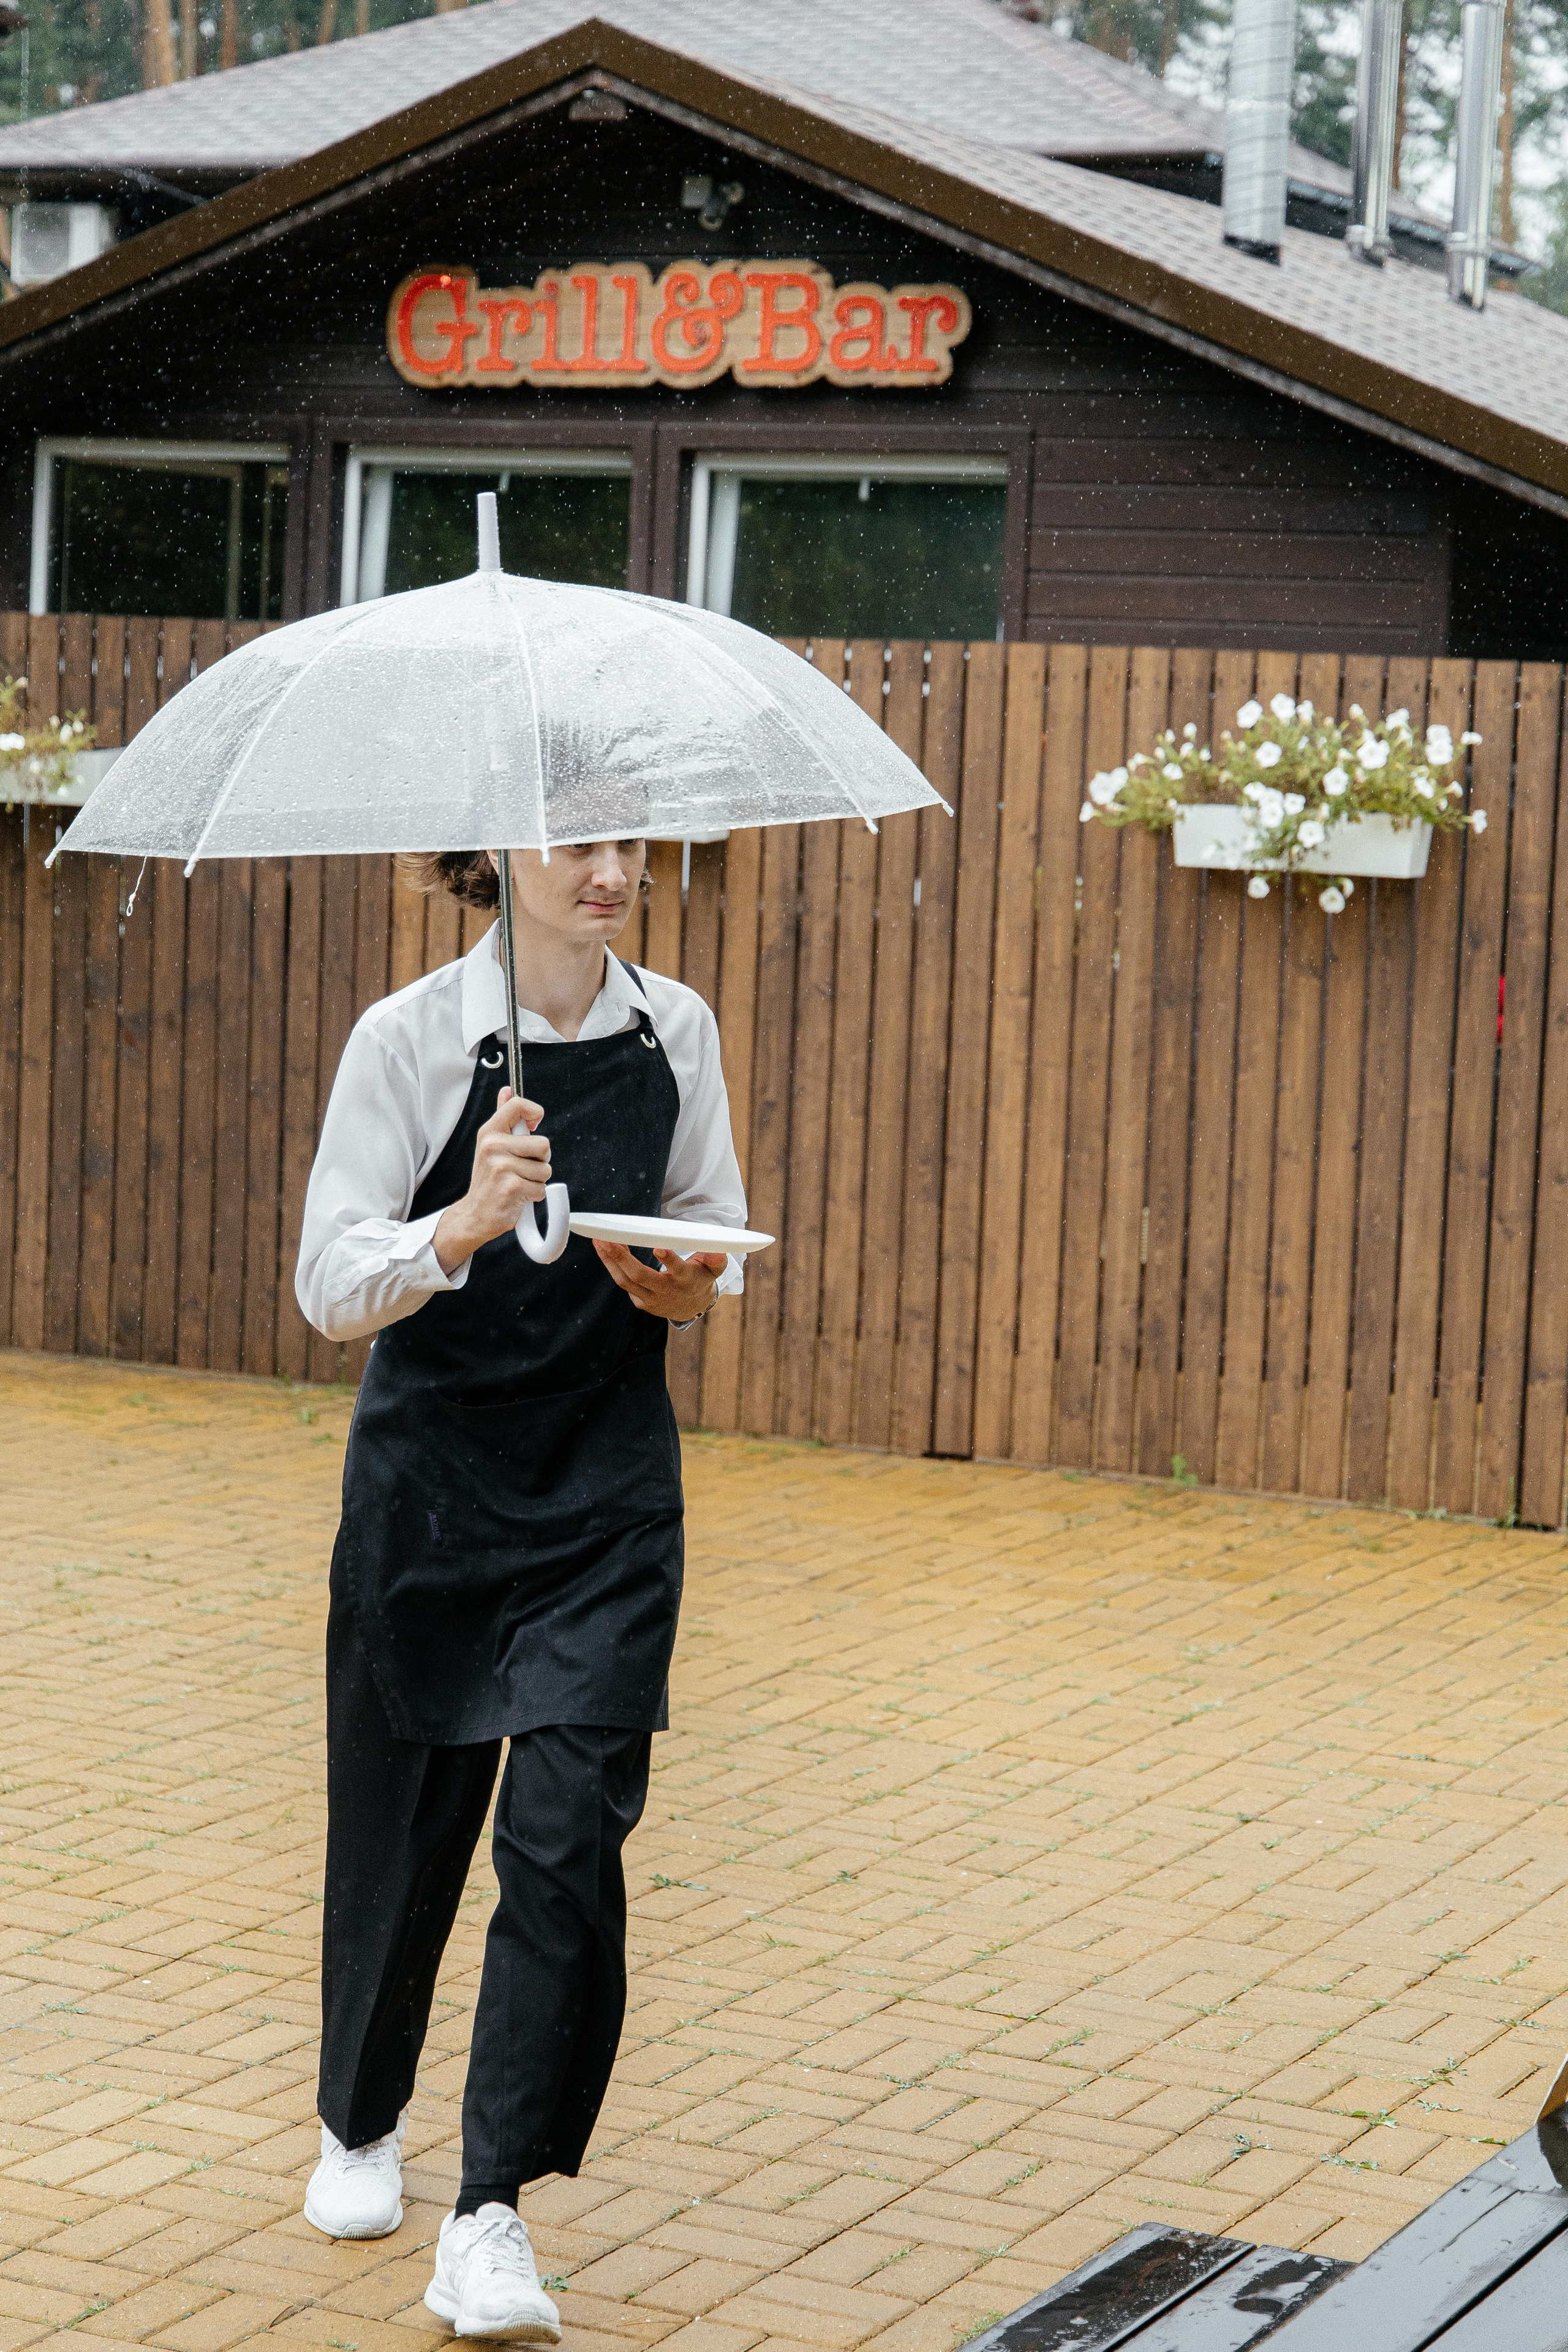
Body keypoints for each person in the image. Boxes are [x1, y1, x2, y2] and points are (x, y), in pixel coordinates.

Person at [294, 837, 744, 2340]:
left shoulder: (673, 1027)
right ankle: (360, 2117)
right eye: (578, 843)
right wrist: (461, 1227)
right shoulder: (410, 1038)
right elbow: (327, 1283)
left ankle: (489, 2214)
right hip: (432, 1489)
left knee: (564, 1842)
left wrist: (675, 1281)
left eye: (631, 842)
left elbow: (706, 1236)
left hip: (604, 1493)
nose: (614, 870)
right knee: (405, 1838)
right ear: (497, 853)